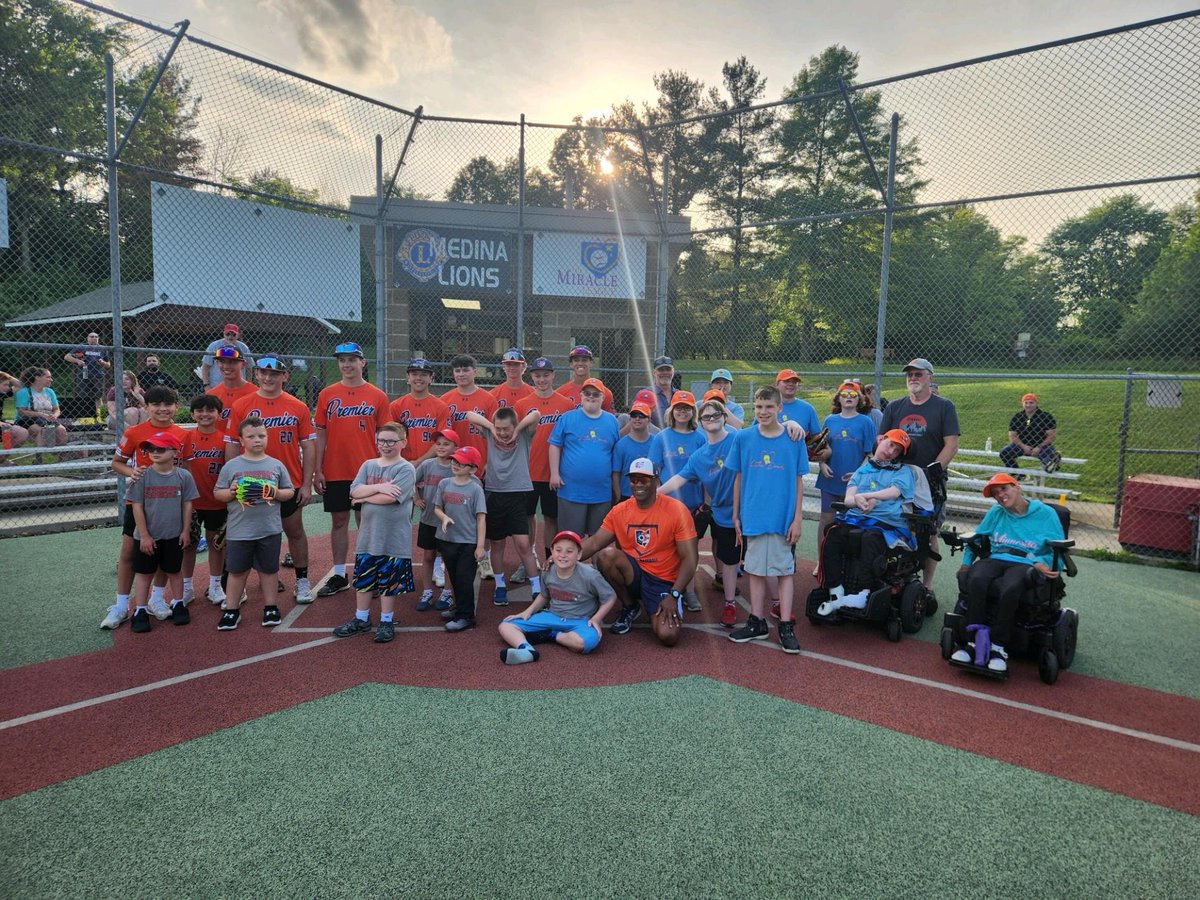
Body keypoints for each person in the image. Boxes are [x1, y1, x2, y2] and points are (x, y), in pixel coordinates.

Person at [951, 472, 1065, 673]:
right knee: (976, 579)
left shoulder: (1046, 514)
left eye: (1004, 489)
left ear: (1017, 487)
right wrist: (966, 564)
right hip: (997, 557)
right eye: (996, 493)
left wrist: (1042, 563)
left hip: (1026, 562)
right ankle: (972, 643)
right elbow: (976, 538)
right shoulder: (996, 513)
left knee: (1010, 587)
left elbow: (1058, 548)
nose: (1000, 495)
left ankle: (998, 647)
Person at [228, 354, 317, 603]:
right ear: (256, 374)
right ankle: (264, 577)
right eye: (264, 373)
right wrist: (231, 480)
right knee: (255, 533)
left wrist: (307, 484)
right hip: (252, 482)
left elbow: (309, 446)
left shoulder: (297, 406)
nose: (268, 378)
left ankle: (301, 579)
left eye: (275, 374)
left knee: (295, 531)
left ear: (285, 376)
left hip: (288, 482)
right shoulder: (242, 406)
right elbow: (233, 445)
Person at [579, 458, 697, 644]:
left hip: (663, 579)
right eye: (634, 480)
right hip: (632, 573)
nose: (638, 485)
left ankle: (671, 601)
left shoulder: (676, 510)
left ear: (656, 481)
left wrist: (674, 593)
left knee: (668, 637)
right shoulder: (620, 511)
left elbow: (690, 558)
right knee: (605, 556)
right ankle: (630, 606)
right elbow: (594, 543)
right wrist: (563, 557)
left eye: (644, 480)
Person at [726, 385, 808, 654]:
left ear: (779, 408)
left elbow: (798, 481)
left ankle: (785, 625)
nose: (763, 412)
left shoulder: (794, 439)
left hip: (782, 518)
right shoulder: (744, 438)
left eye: (769, 407)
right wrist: (736, 514)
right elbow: (737, 477)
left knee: (784, 571)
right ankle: (757, 622)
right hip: (753, 515)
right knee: (755, 570)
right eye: (759, 407)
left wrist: (797, 519)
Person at [102, 386, 189, 630]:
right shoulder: (135, 432)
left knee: (165, 552)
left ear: (176, 407)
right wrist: (133, 472)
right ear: (146, 407)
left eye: (168, 404)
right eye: (156, 404)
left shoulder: (183, 435)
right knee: (130, 551)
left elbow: (186, 469)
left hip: (171, 504)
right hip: (140, 503)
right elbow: (117, 463)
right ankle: (121, 605)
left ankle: (157, 599)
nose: (162, 409)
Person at [313, 342, 391, 598]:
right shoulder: (327, 394)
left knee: (366, 522)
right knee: (338, 522)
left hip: (367, 470)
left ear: (362, 362)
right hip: (335, 468)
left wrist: (384, 468)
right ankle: (338, 574)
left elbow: (385, 436)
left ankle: (368, 571)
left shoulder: (377, 395)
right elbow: (320, 434)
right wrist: (318, 469)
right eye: (342, 360)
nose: (347, 365)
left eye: (352, 359)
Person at [331, 422, 417, 644]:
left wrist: (363, 497)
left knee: (389, 583)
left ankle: (386, 621)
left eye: (391, 441)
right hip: (368, 537)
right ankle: (361, 618)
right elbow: (354, 490)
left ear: (403, 443)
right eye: (382, 441)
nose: (386, 445)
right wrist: (378, 487)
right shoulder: (368, 465)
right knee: (364, 579)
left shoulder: (405, 469)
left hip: (393, 538)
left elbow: (390, 498)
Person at [659, 397, 742, 627]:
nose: (712, 419)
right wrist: (656, 493)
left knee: (761, 560)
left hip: (749, 509)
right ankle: (729, 603)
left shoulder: (737, 438)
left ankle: (774, 602)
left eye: (716, 415)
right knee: (729, 559)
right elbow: (679, 478)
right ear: (701, 423)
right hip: (725, 513)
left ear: (724, 417)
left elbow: (763, 431)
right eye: (706, 417)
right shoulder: (699, 457)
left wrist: (789, 426)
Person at [816, 429, 917, 616]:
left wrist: (868, 496)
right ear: (881, 440)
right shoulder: (862, 470)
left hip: (887, 522)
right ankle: (835, 589)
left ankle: (863, 593)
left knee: (869, 539)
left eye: (896, 450)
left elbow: (894, 492)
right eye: (890, 445)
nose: (891, 451)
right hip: (857, 518)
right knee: (833, 532)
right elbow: (848, 499)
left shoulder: (903, 472)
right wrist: (858, 500)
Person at [880, 357, 960, 589]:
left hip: (929, 481)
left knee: (929, 533)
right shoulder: (895, 407)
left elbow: (951, 444)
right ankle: (895, 578)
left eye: (918, 374)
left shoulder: (944, 406)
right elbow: (881, 440)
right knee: (891, 525)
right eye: (910, 375)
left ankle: (926, 586)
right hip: (896, 478)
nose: (913, 378)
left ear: (929, 377)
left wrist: (933, 470)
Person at [214, 416, 296, 630]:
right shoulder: (232, 466)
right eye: (251, 436)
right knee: (237, 571)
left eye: (261, 435)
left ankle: (270, 607)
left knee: (268, 570)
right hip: (239, 531)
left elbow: (289, 492)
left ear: (267, 437)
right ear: (241, 441)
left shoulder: (276, 465)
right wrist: (230, 492)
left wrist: (276, 492)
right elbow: (218, 493)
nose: (257, 440)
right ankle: (232, 609)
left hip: (269, 529)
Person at [497, 530, 617, 664]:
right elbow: (544, 596)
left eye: (569, 551)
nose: (563, 555)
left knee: (587, 641)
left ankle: (551, 635)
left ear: (579, 554)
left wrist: (596, 619)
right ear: (552, 553)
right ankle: (527, 649)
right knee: (506, 626)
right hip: (552, 616)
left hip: (579, 620)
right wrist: (527, 612)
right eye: (558, 550)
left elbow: (610, 597)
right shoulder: (548, 571)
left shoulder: (590, 575)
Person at [464, 405, 542, 606]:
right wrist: (491, 427)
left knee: (523, 544)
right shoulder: (491, 434)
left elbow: (535, 414)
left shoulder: (523, 435)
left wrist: (516, 430)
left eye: (506, 428)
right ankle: (500, 586)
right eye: (499, 429)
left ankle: (536, 588)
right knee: (497, 544)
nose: (502, 433)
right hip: (495, 493)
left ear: (515, 426)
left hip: (517, 493)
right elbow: (470, 415)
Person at [124, 431, 198, 633]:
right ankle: (140, 610)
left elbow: (187, 505)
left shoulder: (183, 476)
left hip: (173, 535)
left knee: (174, 570)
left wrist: (185, 531)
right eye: (151, 449)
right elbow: (136, 506)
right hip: (148, 537)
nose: (154, 452)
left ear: (175, 452)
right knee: (145, 573)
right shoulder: (142, 476)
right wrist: (145, 535)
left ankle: (179, 603)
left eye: (161, 448)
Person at [650, 389, 706, 611]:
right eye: (679, 408)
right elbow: (654, 470)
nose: (682, 412)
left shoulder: (700, 437)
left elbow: (706, 472)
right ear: (671, 411)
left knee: (689, 550)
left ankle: (689, 591)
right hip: (667, 501)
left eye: (687, 408)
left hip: (692, 502)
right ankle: (666, 587)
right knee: (664, 547)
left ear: (693, 412)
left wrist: (705, 502)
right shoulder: (661, 437)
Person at [515, 356, 573, 566]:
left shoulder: (566, 404)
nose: (542, 379)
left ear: (553, 376)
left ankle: (551, 558)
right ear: (531, 377)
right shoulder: (522, 404)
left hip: (554, 472)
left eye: (546, 375)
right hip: (528, 470)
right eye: (537, 375)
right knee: (528, 517)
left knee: (551, 517)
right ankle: (528, 560)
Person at [548, 377, 621, 537]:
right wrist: (554, 473)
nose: (591, 397)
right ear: (581, 395)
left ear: (603, 397)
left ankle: (596, 564)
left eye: (596, 394)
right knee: (570, 538)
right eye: (587, 393)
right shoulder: (567, 418)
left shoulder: (611, 421)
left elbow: (616, 452)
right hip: (571, 490)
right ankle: (572, 564)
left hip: (601, 492)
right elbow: (555, 445)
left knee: (599, 540)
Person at [433, 445, 488, 632]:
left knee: (465, 578)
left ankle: (466, 616)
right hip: (447, 539)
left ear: (472, 469)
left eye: (462, 463)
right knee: (455, 576)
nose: (455, 465)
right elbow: (437, 508)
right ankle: (459, 607)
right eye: (454, 461)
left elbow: (481, 517)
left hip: (467, 542)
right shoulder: (444, 484)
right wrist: (444, 517)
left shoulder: (475, 489)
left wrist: (480, 546)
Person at [180, 393, 229, 606]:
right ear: (192, 414)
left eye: (210, 410)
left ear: (219, 414)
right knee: (188, 544)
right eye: (199, 410)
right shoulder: (186, 438)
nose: (205, 414)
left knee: (215, 543)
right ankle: (187, 587)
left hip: (216, 500)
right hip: (191, 501)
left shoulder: (225, 439)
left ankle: (215, 585)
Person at [815, 382, 878, 544]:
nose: (848, 398)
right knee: (826, 520)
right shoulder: (830, 420)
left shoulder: (866, 422)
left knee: (851, 522)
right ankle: (822, 560)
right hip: (830, 479)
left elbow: (869, 454)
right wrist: (822, 464)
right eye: (844, 395)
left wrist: (857, 475)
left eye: (853, 395)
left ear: (860, 399)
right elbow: (822, 448)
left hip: (854, 483)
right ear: (838, 399)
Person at [413, 429, 460, 613]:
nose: (441, 447)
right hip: (428, 520)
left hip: (447, 521)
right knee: (428, 557)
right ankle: (426, 591)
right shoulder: (426, 465)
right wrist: (416, 498)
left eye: (446, 444)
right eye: (438, 444)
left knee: (448, 558)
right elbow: (410, 481)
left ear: (456, 447)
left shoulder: (456, 466)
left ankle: (447, 592)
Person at [441, 354, 499, 479]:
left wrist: (490, 462)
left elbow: (495, 435)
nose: (461, 374)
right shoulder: (445, 400)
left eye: (466, 370)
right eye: (457, 370)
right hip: (453, 461)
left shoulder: (488, 399)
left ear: (475, 372)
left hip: (480, 461)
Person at [390, 357, 450, 464]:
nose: (419, 378)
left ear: (431, 378)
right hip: (402, 463)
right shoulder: (396, 406)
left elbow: (443, 441)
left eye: (424, 375)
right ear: (408, 377)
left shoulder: (441, 407)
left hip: (432, 463)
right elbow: (389, 438)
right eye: (414, 374)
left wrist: (419, 461)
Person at [1001, 393, 1062, 473]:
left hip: (1042, 446)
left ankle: (1051, 462)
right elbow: (1012, 436)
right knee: (1004, 452)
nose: (1028, 405)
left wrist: (1039, 447)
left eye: (1031, 402)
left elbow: (1051, 436)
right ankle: (1018, 475)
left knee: (1046, 455)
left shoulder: (1045, 416)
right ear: (1022, 404)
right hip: (1022, 446)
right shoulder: (1018, 416)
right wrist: (1023, 446)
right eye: (1026, 402)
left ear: (1036, 403)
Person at [14, 367, 69, 456]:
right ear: (37, 377)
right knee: (41, 430)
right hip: (27, 420)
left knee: (61, 430)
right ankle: (38, 460)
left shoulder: (50, 391)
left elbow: (56, 409)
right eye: (48, 377)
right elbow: (21, 412)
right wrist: (40, 414)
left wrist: (55, 415)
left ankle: (61, 458)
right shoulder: (24, 392)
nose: (51, 380)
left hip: (46, 420)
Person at [611, 400, 655, 501]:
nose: (637, 419)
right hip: (626, 494)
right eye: (634, 415)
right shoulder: (621, 445)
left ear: (649, 420)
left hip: (650, 494)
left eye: (642, 416)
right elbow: (616, 474)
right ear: (630, 419)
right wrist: (618, 495)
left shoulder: (656, 442)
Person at [206, 346, 256, 432]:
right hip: (219, 444)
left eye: (232, 362)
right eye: (222, 361)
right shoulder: (211, 395)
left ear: (243, 364)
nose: (226, 366)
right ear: (217, 363)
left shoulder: (255, 393)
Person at [63, 332, 111, 416]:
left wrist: (103, 362)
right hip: (84, 374)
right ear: (87, 338)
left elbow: (108, 365)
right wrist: (78, 361)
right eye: (92, 336)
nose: (94, 338)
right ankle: (85, 417)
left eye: (96, 337)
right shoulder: (82, 347)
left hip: (98, 375)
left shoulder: (103, 348)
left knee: (98, 397)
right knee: (83, 397)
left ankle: (100, 417)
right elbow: (67, 357)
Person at [558, 346, 615, 412]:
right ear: (571, 364)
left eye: (584, 360)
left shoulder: (604, 393)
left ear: (591, 363)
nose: (580, 363)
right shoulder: (561, 393)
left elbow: (609, 420)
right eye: (576, 360)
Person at [200, 323, 253, 389]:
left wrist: (248, 385)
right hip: (216, 386)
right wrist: (206, 385)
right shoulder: (214, 345)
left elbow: (249, 368)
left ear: (238, 335)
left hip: (238, 386)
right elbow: (205, 366)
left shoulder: (243, 347)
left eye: (234, 334)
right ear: (223, 334)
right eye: (228, 334)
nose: (230, 337)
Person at [774, 368, 820, 436]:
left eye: (794, 382)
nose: (791, 384)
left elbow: (816, 435)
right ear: (777, 384)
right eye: (786, 381)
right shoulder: (768, 406)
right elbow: (756, 431)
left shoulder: (807, 409)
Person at [1, 371, 31, 456]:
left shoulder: (2, 394)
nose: (8, 387)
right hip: (1, 424)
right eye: (5, 385)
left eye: (8, 385)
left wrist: (7, 376)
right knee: (5, 427)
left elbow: (20, 385)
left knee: (22, 433)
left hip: (2, 425)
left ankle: (2, 459)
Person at [650, 356, 675, 427]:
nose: (665, 373)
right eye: (661, 370)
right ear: (654, 372)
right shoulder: (645, 394)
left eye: (668, 369)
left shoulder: (679, 394)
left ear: (673, 371)